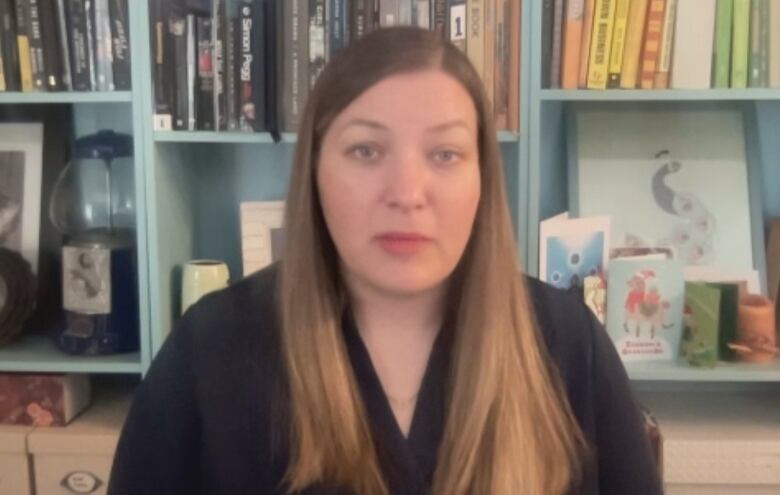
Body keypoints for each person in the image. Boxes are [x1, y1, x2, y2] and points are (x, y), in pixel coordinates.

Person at [108, 27, 662, 495]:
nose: (406, 192)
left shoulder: (568, 346)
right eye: (366, 151)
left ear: (482, 181)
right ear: (315, 173)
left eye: (445, 154)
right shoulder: (211, 348)